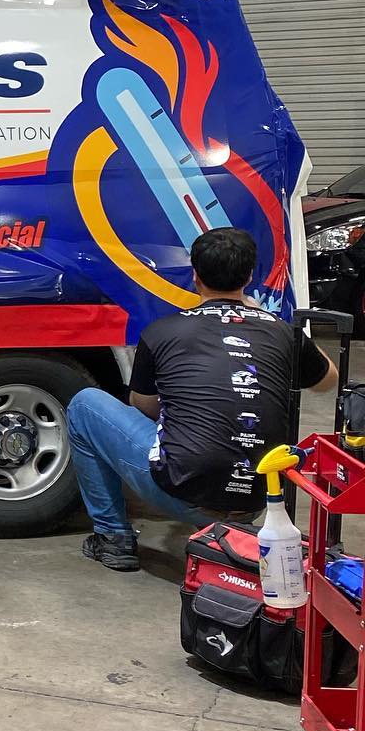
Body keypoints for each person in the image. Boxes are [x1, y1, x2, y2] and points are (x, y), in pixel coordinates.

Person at [66, 227, 337, 573]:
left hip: (181, 491)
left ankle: (113, 538)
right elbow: (329, 380)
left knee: (85, 404)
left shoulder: (161, 331)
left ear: (194, 276)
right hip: (258, 497)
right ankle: (223, 526)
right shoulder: (281, 332)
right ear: (249, 277)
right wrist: (274, 323)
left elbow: (142, 404)